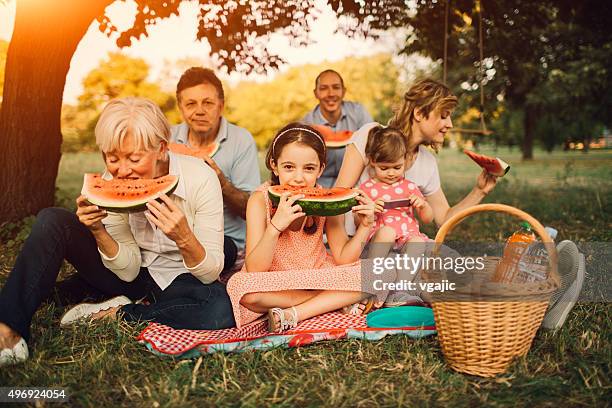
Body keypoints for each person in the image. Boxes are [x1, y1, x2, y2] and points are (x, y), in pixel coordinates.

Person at [0, 97, 235, 367]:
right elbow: (128, 271)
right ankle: (7, 327)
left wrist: (183, 237)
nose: (122, 171)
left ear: (160, 149)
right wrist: (99, 230)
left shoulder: (200, 179)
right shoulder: (110, 181)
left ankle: (118, 312)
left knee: (219, 307)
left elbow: (208, 272)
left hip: (179, 278)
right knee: (52, 219)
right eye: (112, 158)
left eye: (134, 158)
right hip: (130, 275)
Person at [225, 123, 394, 333]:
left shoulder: (328, 200)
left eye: (309, 168)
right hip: (273, 280)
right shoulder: (259, 200)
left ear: (320, 169)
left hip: (319, 275)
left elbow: (343, 257)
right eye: (288, 167)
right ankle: (335, 301)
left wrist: (365, 226)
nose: (298, 178)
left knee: (381, 274)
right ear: (273, 165)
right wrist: (275, 227)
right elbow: (255, 268)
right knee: (242, 289)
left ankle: (295, 313)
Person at [171, 67, 260, 272]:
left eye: (208, 103)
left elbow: (251, 209)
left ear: (221, 106)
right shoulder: (167, 138)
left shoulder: (241, 140)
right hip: (174, 241)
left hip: (226, 243)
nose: (200, 111)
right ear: (180, 107)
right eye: (191, 104)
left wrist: (221, 182)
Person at [358, 126, 434, 306]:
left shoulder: (409, 187)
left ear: (405, 161)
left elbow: (428, 218)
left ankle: (401, 289)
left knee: (418, 242)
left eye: (397, 167)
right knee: (388, 232)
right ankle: (372, 280)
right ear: (372, 162)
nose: (391, 173)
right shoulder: (367, 188)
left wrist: (422, 205)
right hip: (380, 241)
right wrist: (370, 210)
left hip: (407, 238)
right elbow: (358, 221)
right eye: (384, 168)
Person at [302, 69, 373, 188]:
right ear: (316, 93)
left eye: (336, 87)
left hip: (356, 184)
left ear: (344, 91)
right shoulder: (307, 123)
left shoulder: (359, 113)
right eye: (324, 88)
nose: (331, 94)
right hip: (319, 185)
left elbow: (373, 144)